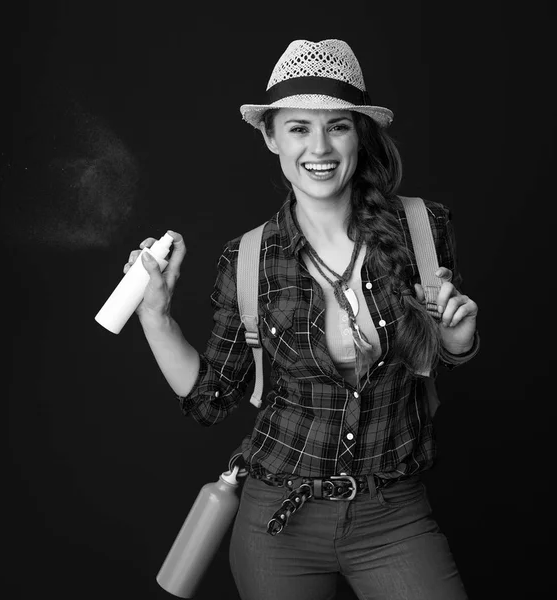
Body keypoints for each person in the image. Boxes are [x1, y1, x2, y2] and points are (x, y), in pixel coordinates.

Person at [125, 39, 479, 600]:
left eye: (337, 125)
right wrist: (156, 315)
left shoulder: (423, 229)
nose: (320, 147)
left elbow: (434, 355)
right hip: (278, 523)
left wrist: (458, 342)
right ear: (270, 137)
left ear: (359, 135)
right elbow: (213, 400)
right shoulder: (247, 260)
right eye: (297, 128)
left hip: (395, 514)